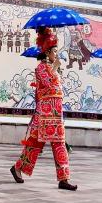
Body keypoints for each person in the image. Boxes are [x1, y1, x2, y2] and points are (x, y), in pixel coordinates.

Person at [10, 27, 76, 190]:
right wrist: (55, 68)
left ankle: (64, 178)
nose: (56, 55)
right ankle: (17, 167)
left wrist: (55, 68)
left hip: (56, 112)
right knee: (35, 144)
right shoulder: (40, 68)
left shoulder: (53, 67)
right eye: (55, 52)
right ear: (47, 52)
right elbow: (47, 84)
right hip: (45, 112)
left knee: (59, 144)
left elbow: (57, 87)